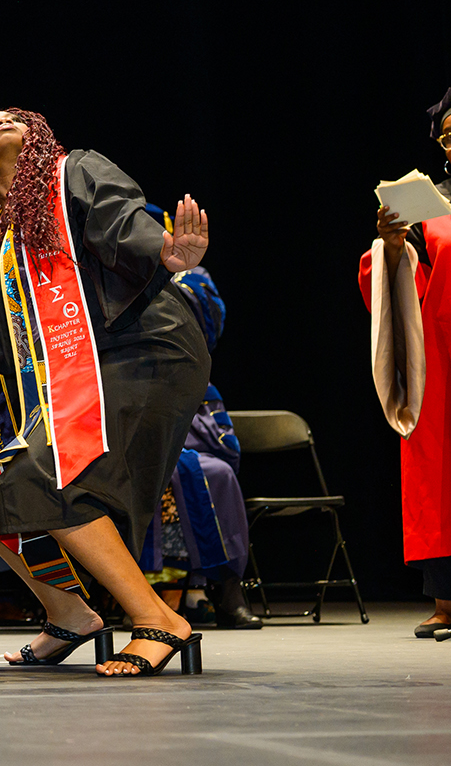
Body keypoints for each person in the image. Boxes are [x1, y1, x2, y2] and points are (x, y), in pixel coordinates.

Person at [0, 108, 212, 677]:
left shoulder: (73, 172)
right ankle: (68, 611)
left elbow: (122, 222)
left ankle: (159, 619)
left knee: (45, 475)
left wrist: (165, 252)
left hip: (142, 345)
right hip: (68, 378)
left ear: (38, 136)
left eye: (12, 118)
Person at [363, 86, 451, 637]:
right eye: (450, 136)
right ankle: (448, 603)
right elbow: (396, 285)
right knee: (445, 477)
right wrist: (393, 247)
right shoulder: (429, 204)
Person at [135, 255, 259, 631]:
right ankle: (156, 595)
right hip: (130, 390)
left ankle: (226, 589)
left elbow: (207, 318)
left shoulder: (191, 277)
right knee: (158, 473)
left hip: (181, 387)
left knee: (214, 471)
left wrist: (165, 281)